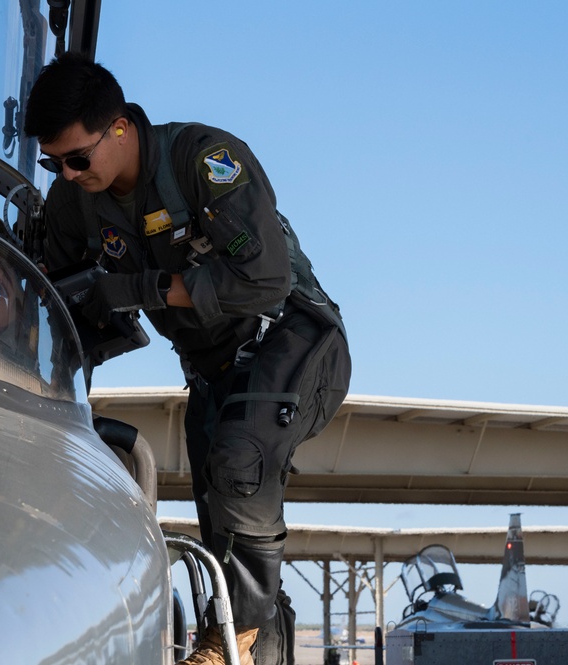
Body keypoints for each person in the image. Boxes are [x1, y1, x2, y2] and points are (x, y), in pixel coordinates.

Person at [23, 52, 351, 665]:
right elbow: (59, 300)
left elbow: (265, 279)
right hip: (215, 370)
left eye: (76, 158)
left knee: (239, 462)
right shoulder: (75, 205)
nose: (65, 174)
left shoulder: (202, 161)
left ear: (118, 127)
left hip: (294, 341)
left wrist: (143, 290)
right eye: (52, 162)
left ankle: (229, 644)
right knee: (224, 539)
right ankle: (257, 641)